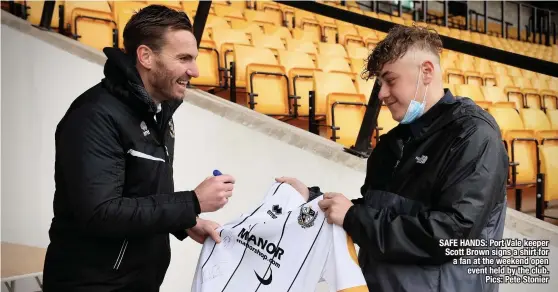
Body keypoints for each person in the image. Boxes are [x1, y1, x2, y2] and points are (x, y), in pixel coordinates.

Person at [278, 24, 509, 292]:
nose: (381, 94)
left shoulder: (473, 136)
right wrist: (313, 200)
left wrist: (354, 218)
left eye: (390, 80)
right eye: (380, 84)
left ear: (426, 72)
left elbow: (451, 234)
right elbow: (376, 214)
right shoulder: (393, 143)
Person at [42, 5, 234, 292]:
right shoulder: (93, 116)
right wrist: (191, 202)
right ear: (145, 56)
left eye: (194, 59)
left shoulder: (158, 110)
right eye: (183, 58)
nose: (194, 70)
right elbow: (100, 213)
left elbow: (141, 190)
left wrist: (186, 221)